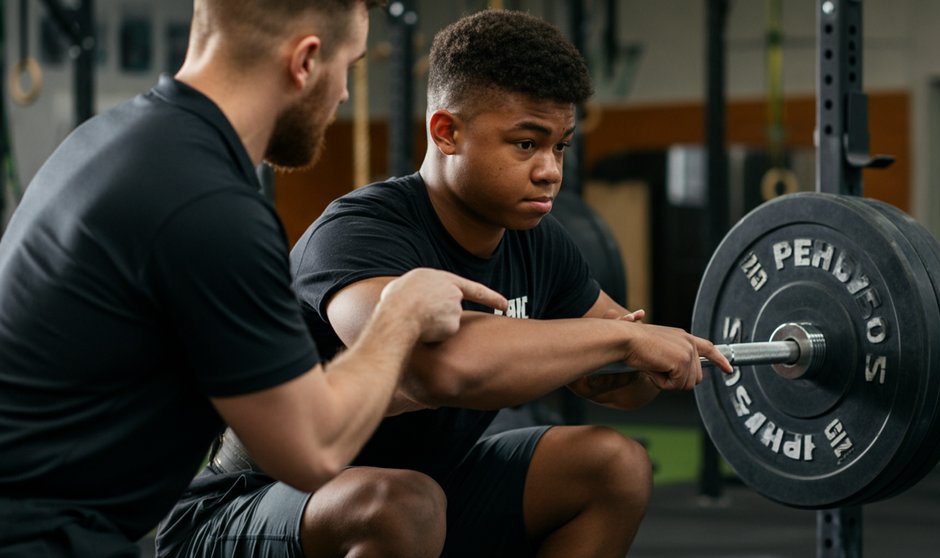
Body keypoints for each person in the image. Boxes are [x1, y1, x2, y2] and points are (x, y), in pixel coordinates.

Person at [158, 9, 732, 558]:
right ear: (447, 131)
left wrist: (629, 369)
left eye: (560, 146)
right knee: (403, 504)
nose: (551, 170)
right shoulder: (360, 232)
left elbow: (629, 382)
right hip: (246, 508)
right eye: (526, 144)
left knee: (613, 465)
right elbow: (440, 366)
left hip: (425, 491)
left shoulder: (540, 241)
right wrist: (621, 342)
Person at [0, 1, 508, 556]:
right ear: (306, 61)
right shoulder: (210, 205)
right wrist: (401, 312)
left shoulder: (114, 140)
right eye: (349, 66)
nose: (343, 94)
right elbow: (312, 449)